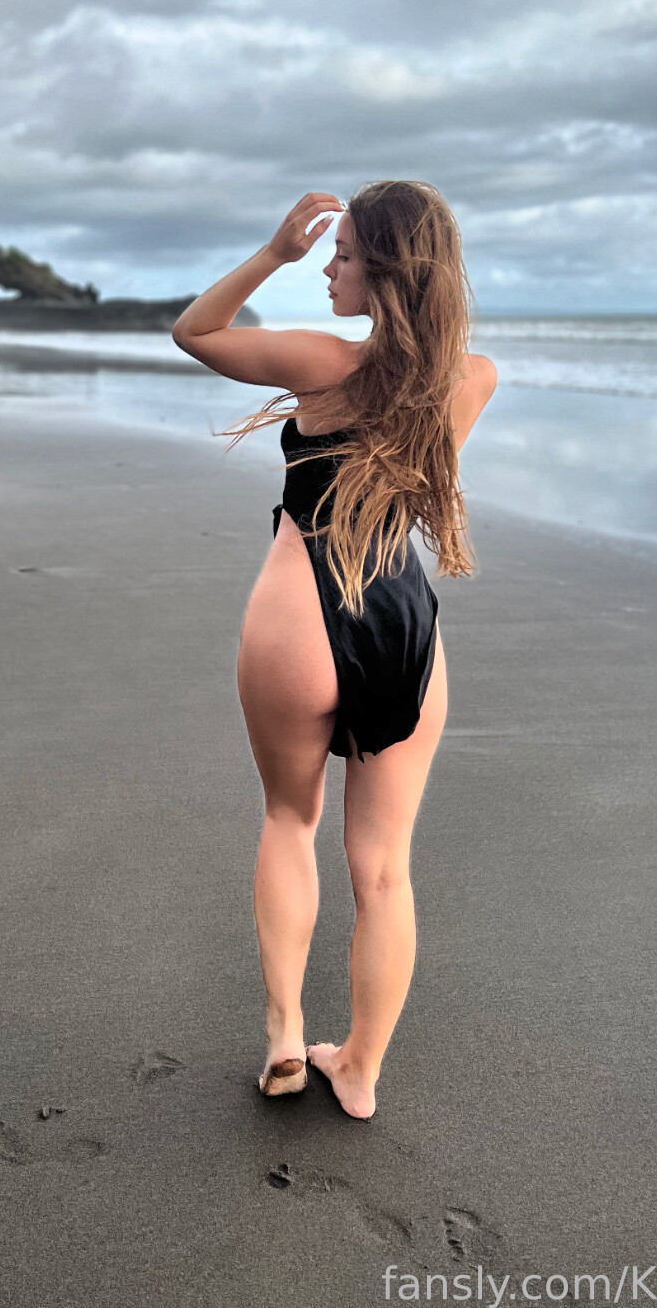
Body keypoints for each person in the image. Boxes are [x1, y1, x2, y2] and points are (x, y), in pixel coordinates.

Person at [172, 180, 497, 1120]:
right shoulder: (472, 379)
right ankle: (357, 1072)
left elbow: (196, 331)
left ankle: (285, 1037)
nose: (325, 267)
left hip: (300, 606)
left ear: (387, 271)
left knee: (288, 819)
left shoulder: (322, 363)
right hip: (400, 618)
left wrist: (270, 252)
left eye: (343, 254)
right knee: (384, 868)